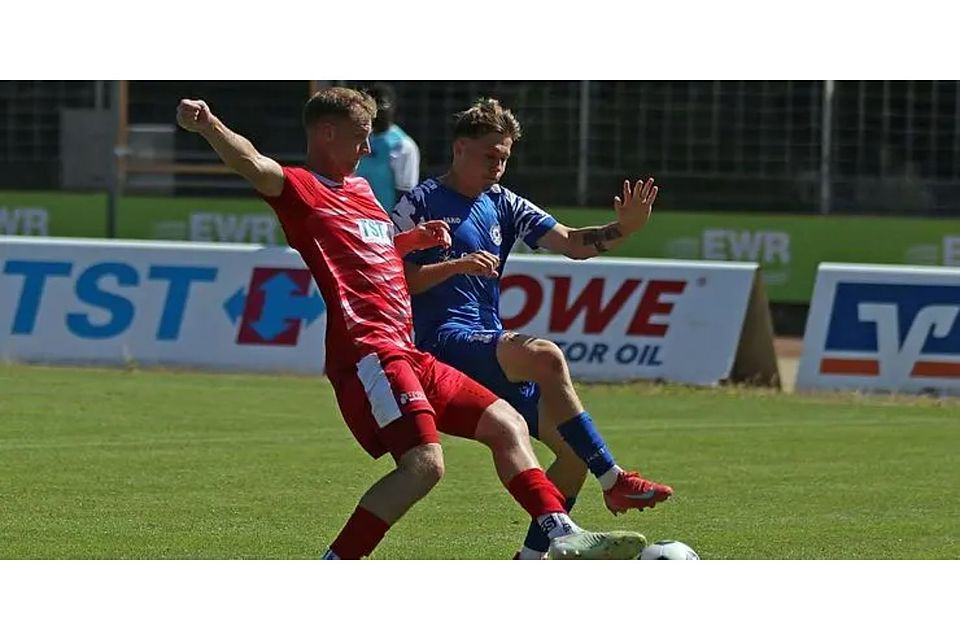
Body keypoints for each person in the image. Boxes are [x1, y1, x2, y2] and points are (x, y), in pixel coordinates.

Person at [175, 87, 646, 560]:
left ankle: (561, 535)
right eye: (361, 138)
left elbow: (377, 257)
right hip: (370, 350)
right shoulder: (303, 189)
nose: (367, 149)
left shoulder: (361, 192)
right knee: (424, 465)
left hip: (409, 351)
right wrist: (209, 124)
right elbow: (254, 165)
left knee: (506, 424)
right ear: (327, 133)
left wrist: (411, 242)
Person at [392, 98, 673, 560]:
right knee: (544, 355)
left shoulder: (503, 202)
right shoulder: (418, 203)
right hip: (441, 345)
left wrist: (623, 229)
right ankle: (615, 480)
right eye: (490, 156)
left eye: (504, 157)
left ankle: (529, 561)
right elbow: (391, 277)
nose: (498, 167)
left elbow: (571, 243)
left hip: (485, 345)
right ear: (460, 149)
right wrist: (454, 266)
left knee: (572, 455)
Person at [354, 83, 420, 211]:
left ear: (393, 107)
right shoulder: (359, 139)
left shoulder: (402, 145)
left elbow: (406, 192)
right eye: (372, 108)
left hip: (386, 222)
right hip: (357, 217)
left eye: (382, 105)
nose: (377, 113)